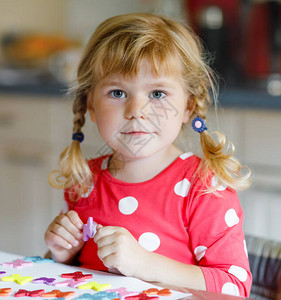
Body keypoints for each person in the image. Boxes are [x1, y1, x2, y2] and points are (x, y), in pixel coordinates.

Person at [44, 13, 252, 297]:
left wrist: (144, 263)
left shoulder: (204, 188)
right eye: (117, 92)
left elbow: (235, 287)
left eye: (157, 94)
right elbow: (74, 276)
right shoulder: (84, 181)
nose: (135, 110)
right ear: (90, 105)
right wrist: (62, 254)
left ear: (189, 105)